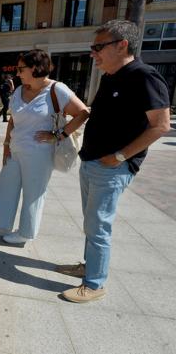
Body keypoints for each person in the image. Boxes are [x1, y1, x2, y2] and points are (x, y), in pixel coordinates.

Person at [57, 20, 171, 303]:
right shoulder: (110, 76)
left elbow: (161, 125)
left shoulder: (144, 76)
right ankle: (89, 267)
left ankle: (95, 284)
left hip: (113, 166)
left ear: (122, 45)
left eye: (98, 47)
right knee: (91, 222)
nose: (93, 53)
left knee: (98, 225)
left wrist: (120, 156)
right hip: (93, 161)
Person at [0, 49, 90, 244]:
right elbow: (13, 120)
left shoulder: (57, 90)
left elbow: (82, 113)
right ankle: (1, 225)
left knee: (34, 192)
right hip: (15, 149)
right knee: (5, 186)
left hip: (40, 153)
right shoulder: (19, 90)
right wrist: (6, 143)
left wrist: (58, 135)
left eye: (21, 69)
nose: (17, 73)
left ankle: (26, 232)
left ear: (35, 68)